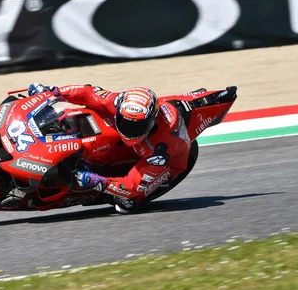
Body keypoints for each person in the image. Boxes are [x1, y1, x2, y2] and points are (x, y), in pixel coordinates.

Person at [27, 83, 192, 214]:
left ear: (151, 122)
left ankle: (126, 192)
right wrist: (53, 92)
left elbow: (132, 186)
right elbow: (87, 92)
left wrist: (99, 182)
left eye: (136, 127)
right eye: (124, 122)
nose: (129, 130)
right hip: (137, 144)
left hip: (168, 163)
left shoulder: (160, 150)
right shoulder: (117, 102)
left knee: (125, 203)